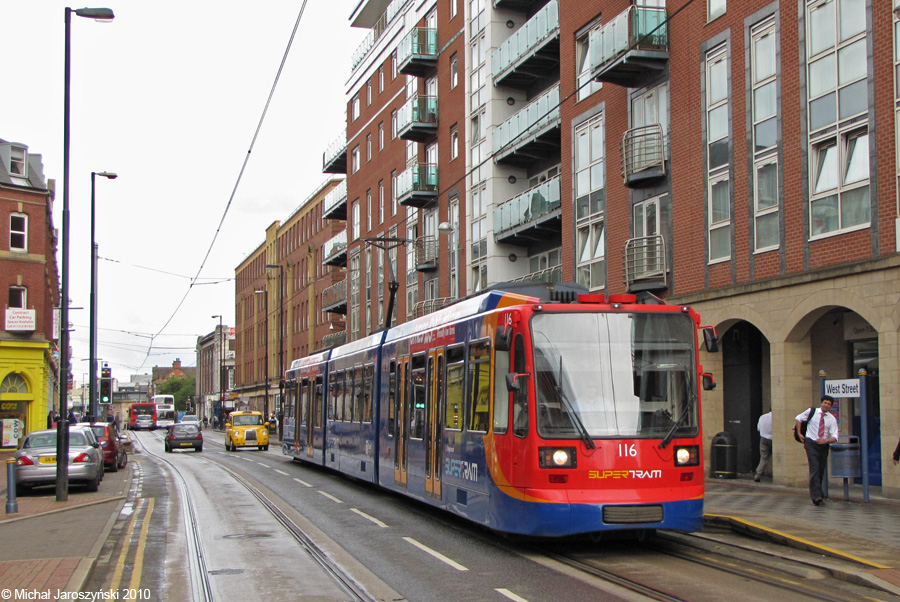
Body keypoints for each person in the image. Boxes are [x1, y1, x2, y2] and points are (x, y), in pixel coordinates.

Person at [794, 395, 839, 506]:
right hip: (811, 443)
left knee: (820, 469)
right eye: (825, 402)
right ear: (821, 403)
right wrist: (799, 433)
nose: (826, 405)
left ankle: (818, 491)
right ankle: (816, 497)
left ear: (831, 406)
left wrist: (827, 440)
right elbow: (798, 418)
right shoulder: (812, 411)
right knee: (814, 468)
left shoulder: (831, 419)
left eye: (829, 404)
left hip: (823, 445)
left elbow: (835, 436)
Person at [755, 410, 773, 482]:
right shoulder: (775, 417)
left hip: (763, 439)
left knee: (763, 458)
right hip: (773, 439)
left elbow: (758, 428)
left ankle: (757, 475)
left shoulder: (762, 417)